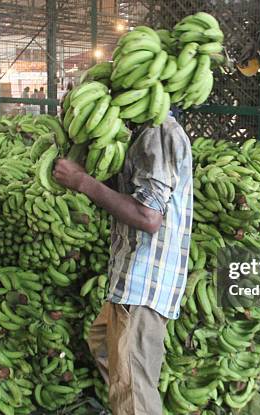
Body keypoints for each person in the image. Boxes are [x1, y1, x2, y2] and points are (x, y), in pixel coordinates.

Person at [53, 114, 193, 415]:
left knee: (133, 389)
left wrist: (82, 182)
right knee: (103, 344)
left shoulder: (158, 132)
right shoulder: (140, 134)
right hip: (128, 280)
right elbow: (131, 196)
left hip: (144, 284)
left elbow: (148, 216)